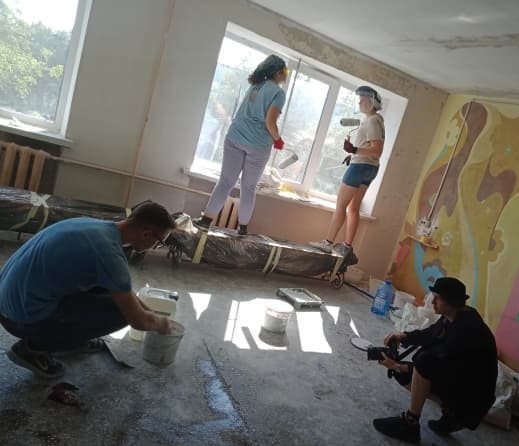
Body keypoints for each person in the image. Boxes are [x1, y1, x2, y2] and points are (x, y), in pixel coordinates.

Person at [0, 203, 176, 379]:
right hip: (19, 320)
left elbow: (123, 291)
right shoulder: (109, 256)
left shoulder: (95, 227)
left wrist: (150, 312)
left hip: (6, 303)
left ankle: (72, 340)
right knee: (121, 314)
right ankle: (33, 349)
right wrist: (162, 324)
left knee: (108, 291)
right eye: (159, 242)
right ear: (146, 233)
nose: (155, 247)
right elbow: (137, 321)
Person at [372, 277, 498, 444]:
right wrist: (404, 336)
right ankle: (451, 417)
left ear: (451, 301)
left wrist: (396, 365)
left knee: (421, 362)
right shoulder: (456, 315)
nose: (432, 302)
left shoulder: (466, 330)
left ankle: (411, 423)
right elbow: (431, 334)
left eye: (437, 298)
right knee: (408, 371)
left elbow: (436, 363)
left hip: (472, 400)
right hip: (464, 385)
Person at [193, 54, 289, 235]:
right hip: (258, 144)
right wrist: (278, 140)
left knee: (225, 182)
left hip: (235, 137)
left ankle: (206, 221)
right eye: (285, 70)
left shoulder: (255, 85)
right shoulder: (278, 93)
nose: (286, 74)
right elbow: (270, 122)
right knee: (248, 187)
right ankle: (242, 229)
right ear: (278, 72)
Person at [310, 86, 385, 256]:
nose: (359, 103)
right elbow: (371, 149)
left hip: (360, 167)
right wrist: (354, 154)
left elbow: (377, 150)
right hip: (370, 168)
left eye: (362, 100)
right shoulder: (378, 120)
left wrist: (355, 150)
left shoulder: (372, 120)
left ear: (371, 102)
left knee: (341, 205)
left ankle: (327, 243)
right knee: (353, 208)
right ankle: (347, 246)